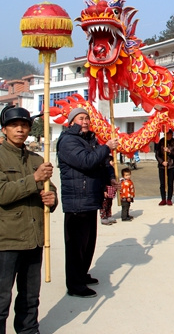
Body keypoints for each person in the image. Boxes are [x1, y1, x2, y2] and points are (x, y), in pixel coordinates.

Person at [0, 105, 57, 333]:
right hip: (7, 241)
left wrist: (52, 199)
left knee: (30, 297)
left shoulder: (36, 159)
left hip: (34, 240)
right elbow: (1, 194)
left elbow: (49, 187)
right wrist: (34, 179)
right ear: (4, 129)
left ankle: (28, 331)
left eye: (24, 125)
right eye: (14, 125)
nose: (20, 130)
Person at [57, 107, 119, 298]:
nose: (84, 122)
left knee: (88, 242)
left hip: (90, 198)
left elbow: (101, 162)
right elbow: (87, 161)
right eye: (80, 118)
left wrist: (110, 176)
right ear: (71, 121)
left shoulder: (88, 140)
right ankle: (75, 285)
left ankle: (82, 274)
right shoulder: (68, 141)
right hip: (77, 200)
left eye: (86, 118)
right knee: (76, 245)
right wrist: (106, 146)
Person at [155, 129, 174, 206]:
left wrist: (169, 151)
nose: (169, 136)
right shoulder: (161, 142)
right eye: (167, 134)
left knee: (170, 183)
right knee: (162, 183)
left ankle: (169, 199)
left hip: (171, 166)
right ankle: (163, 199)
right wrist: (162, 162)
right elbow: (157, 154)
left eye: (170, 134)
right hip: (162, 166)